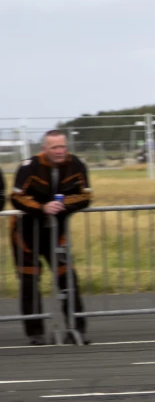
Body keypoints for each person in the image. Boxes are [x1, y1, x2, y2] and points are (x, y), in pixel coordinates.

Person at [10, 129, 92, 345]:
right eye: (54, 147)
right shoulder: (29, 166)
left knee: (68, 278)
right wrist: (42, 207)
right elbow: (16, 197)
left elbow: (86, 196)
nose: (59, 151)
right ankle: (35, 332)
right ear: (44, 149)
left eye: (62, 146)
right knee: (30, 280)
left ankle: (77, 328)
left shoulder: (77, 164)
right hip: (25, 232)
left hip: (57, 233)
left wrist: (63, 204)